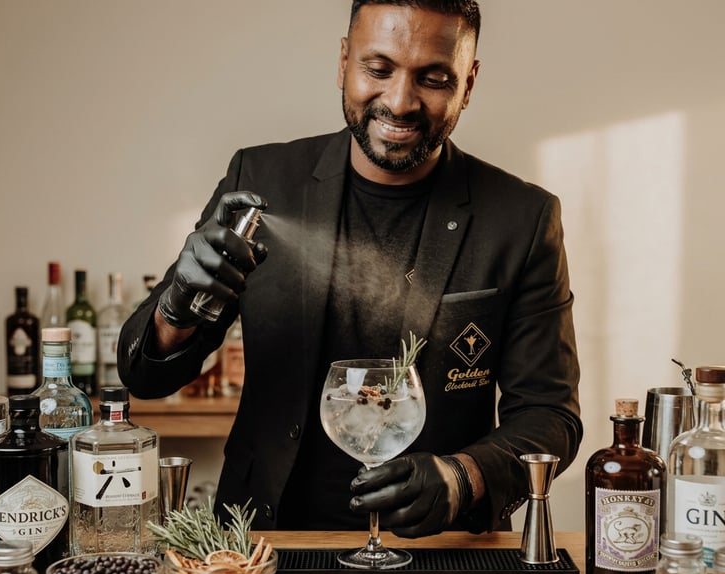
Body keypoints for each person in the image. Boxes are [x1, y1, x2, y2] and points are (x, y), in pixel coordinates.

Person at [118, 0, 582, 537]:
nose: (401, 101)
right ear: (344, 62)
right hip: (264, 540)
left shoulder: (522, 219)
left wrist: (463, 477)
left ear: (468, 83)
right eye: (378, 69)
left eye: (432, 78)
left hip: (439, 547)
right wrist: (177, 305)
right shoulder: (263, 180)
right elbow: (145, 378)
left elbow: (551, 417)